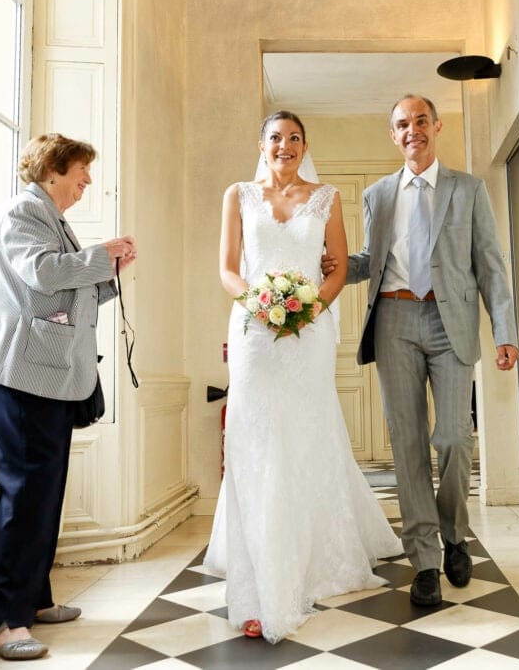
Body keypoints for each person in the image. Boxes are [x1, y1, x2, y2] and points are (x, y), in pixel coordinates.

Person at [205, 111, 402, 643]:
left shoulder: (326, 197)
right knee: (255, 435)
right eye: (275, 138)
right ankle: (260, 565)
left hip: (310, 328)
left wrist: (310, 308)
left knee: (305, 432)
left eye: (294, 138)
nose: (284, 146)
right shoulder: (238, 195)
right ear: (262, 143)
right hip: (254, 329)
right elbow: (227, 268)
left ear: (304, 145)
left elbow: (337, 265)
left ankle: (312, 555)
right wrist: (261, 304)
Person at [324, 94, 519, 606]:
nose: (412, 130)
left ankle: (455, 532)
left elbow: (491, 266)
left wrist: (505, 332)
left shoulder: (469, 189)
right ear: (393, 135)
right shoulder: (378, 195)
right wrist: (332, 267)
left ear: (437, 126)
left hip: (449, 320)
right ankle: (425, 560)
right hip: (393, 320)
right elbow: (373, 259)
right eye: (401, 124)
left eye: (419, 121)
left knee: (454, 436)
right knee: (406, 443)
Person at [0, 133, 138, 660]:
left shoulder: (51, 218)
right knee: (26, 494)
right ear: (53, 169)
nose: (87, 182)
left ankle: (34, 599)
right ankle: (5, 621)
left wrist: (110, 266)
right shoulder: (23, 212)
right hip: (21, 375)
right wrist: (100, 255)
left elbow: (67, 289)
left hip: (47, 375)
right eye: (81, 172)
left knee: (45, 491)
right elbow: (41, 275)